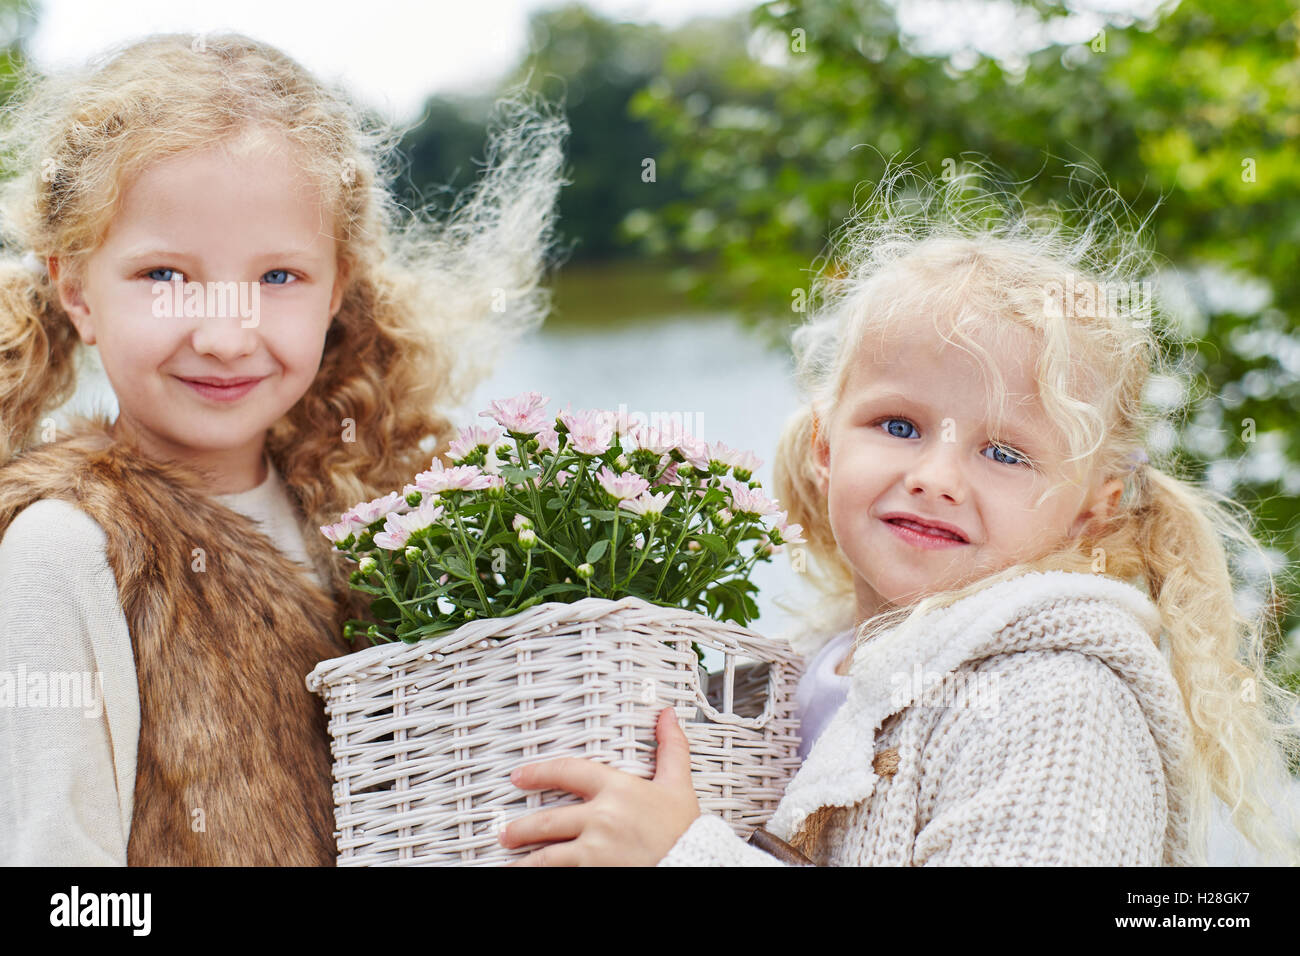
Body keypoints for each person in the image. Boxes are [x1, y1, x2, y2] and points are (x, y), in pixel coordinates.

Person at [499, 166, 1300, 866]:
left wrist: (682, 855)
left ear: (1098, 507)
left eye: (1006, 454)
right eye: (899, 427)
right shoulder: (822, 668)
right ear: (823, 443)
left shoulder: (1057, 703)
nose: (936, 477)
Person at [0, 32, 565, 865]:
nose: (227, 336)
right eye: (165, 276)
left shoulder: (381, 516)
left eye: (277, 279)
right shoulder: (66, 553)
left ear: (336, 288)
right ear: (78, 290)